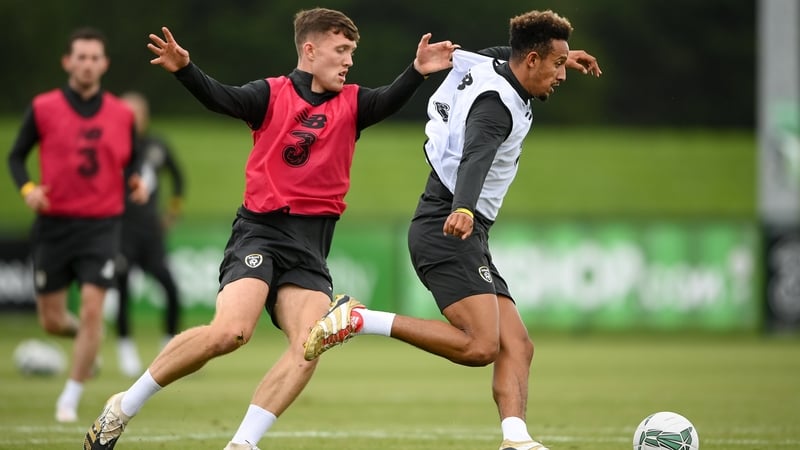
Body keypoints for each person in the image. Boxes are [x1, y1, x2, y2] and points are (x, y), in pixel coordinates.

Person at [83, 7, 457, 450]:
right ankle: (123, 406)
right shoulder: (271, 94)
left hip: (311, 246)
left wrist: (416, 72)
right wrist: (186, 69)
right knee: (230, 333)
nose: (348, 61)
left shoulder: (352, 103)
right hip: (260, 232)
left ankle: (242, 444)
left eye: (351, 52)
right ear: (310, 49)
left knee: (310, 344)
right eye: (341, 50)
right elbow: (221, 97)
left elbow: (388, 98)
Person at [303, 10, 602, 450]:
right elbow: (476, 155)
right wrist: (463, 207)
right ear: (533, 60)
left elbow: (507, 55)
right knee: (481, 347)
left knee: (517, 344)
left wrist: (566, 54)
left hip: (462, 228)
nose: (561, 75)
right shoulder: (496, 107)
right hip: (448, 224)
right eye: (556, 65)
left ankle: (516, 440)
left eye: (562, 64)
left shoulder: (499, 66)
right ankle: (361, 319)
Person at [6, 27, 147, 423]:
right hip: (53, 225)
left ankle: (69, 398)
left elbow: (131, 161)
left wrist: (135, 181)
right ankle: (89, 345)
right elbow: (16, 158)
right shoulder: (44, 107)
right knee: (51, 320)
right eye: (80, 57)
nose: (87, 64)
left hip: (101, 225)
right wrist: (29, 189)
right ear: (68, 62)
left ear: (104, 64)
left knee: (91, 309)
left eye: (94, 57)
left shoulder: (122, 114)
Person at [114, 91, 185, 378]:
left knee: (170, 288)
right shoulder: (112, 146)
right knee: (122, 290)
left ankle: (170, 349)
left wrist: (172, 211)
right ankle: (125, 350)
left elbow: (178, 178)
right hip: (121, 231)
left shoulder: (156, 146)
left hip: (151, 231)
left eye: (137, 113)